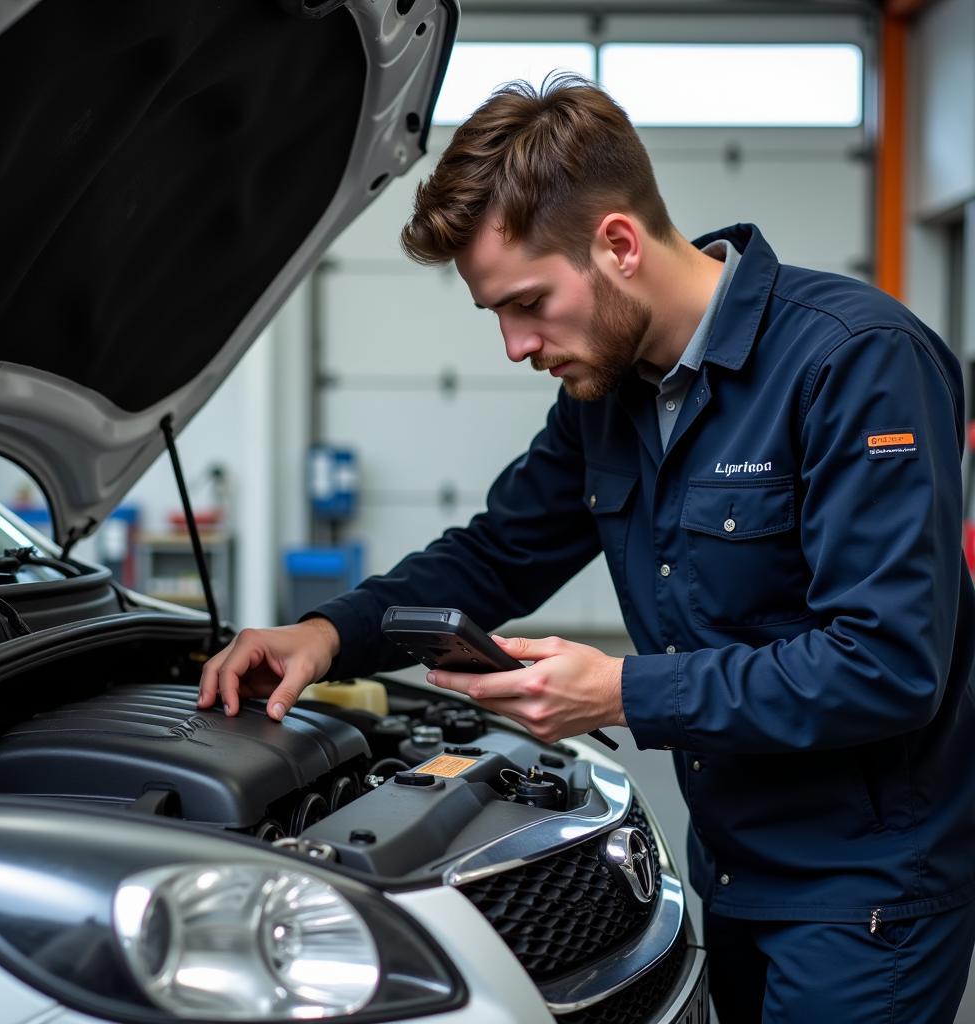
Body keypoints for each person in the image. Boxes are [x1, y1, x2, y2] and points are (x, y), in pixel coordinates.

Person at [198, 76, 975, 1022]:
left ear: (617, 244)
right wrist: (328, 633)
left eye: (527, 302)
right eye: (495, 314)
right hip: (728, 868)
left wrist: (621, 691)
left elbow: (886, 664)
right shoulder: (607, 398)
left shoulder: (857, 362)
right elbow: (494, 554)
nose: (515, 346)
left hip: (866, 895)